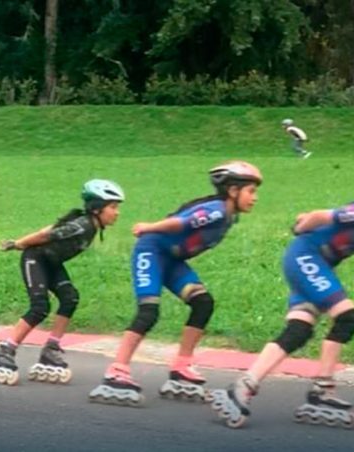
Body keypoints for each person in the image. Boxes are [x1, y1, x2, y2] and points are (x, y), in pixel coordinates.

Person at [208, 167, 354, 430]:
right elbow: (321, 216)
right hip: (306, 256)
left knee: (299, 331)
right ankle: (322, 390)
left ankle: (242, 387)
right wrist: (301, 226)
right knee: (347, 318)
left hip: (319, 265)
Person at [89, 161, 262, 407]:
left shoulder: (229, 215)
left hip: (172, 260)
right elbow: (181, 223)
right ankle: (117, 370)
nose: (255, 198)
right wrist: (149, 227)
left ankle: (182, 365)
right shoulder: (217, 211)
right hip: (152, 250)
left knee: (202, 303)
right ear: (233, 191)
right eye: (251, 191)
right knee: (149, 311)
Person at [0, 180, 124, 386]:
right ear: (97, 208)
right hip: (35, 258)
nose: (117, 212)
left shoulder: (89, 225)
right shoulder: (82, 226)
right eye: (113, 207)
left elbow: (54, 227)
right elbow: (45, 234)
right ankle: (6, 351)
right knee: (40, 307)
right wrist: (18, 244)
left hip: (51, 262)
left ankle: (51, 349)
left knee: (70, 298)